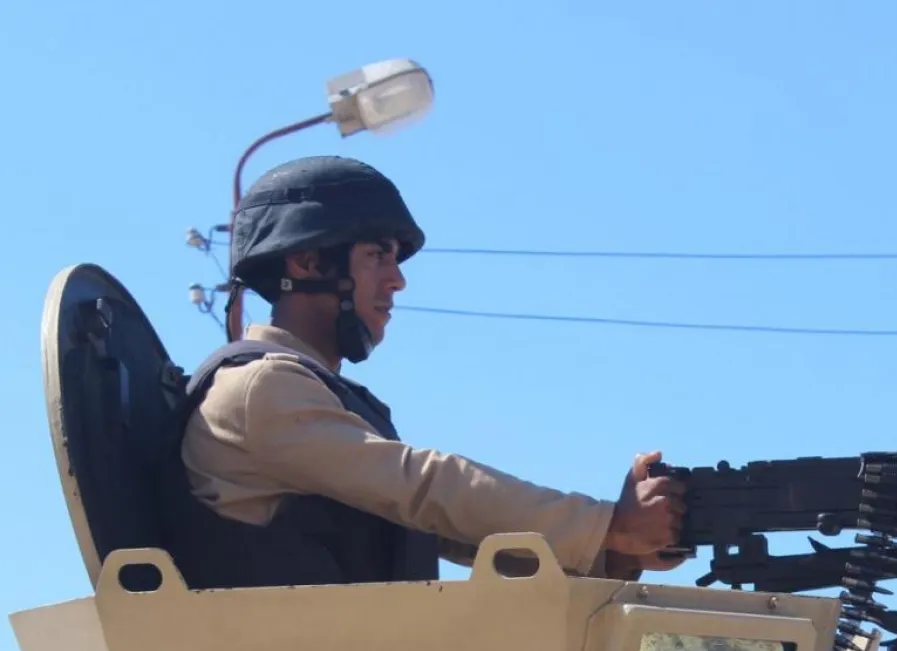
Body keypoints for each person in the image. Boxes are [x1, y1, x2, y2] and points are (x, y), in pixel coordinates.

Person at [158, 154, 685, 590]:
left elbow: (442, 528)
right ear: (308, 263)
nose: (397, 281)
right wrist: (606, 526)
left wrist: (609, 551)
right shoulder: (260, 387)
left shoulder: (310, 395)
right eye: (377, 255)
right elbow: (425, 488)